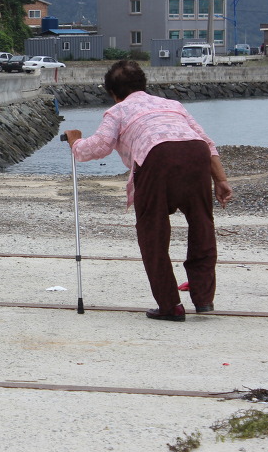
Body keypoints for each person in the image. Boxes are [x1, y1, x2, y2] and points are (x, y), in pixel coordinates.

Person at [63, 60, 233, 322]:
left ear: (113, 93)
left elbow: (95, 148)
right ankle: (203, 298)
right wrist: (220, 180)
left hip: (157, 157)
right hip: (195, 154)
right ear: (144, 85)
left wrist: (75, 141)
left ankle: (170, 306)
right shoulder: (172, 105)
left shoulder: (118, 111)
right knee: (201, 225)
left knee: (152, 234)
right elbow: (207, 142)